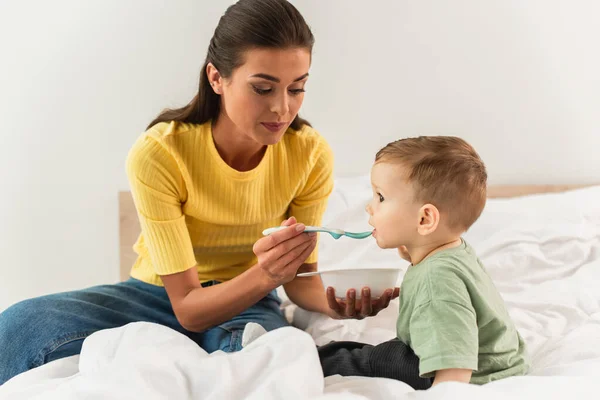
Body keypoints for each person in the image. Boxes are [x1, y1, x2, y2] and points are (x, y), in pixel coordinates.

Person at [0, 0, 398, 386]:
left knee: (268, 354)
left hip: (251, 302)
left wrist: (337, 304)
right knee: (19, 325)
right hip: (153, 297)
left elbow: (297, 282)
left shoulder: (310, 153)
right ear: (216, 78)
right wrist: (265, 274)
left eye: (297, 88)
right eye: (263, 88)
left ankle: (345, 361)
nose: (282, 108)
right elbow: (188, 308)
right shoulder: (161, 152)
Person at [318, 136, 530, 389]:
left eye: (381, 197)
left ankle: (302, 359)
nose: (369, 207)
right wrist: (411, 250)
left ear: (425, 219)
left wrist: (445, 391)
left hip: (464, 374)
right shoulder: (450, 250)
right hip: (496, 364)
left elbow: (455, 365)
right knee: (351, 350)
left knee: (355, 361)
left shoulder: (437, 279)